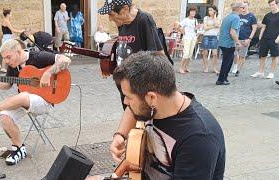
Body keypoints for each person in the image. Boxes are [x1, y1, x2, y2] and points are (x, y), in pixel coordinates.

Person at [88, 51, 225, 179]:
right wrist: (120, 135)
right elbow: (132, 110)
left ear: (152, 97)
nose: (125, 102)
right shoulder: (161, 102)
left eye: (128, 97)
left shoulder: (198, 140)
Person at [0, 39, 71, 166]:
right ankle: (18, 148)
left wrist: (48, 73)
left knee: (23, 95)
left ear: (18, 52)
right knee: (4, 115)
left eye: (8, 57)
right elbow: (8, 84)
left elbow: (66, 60)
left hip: (45, 99)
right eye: (4, 58)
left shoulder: (38, 57)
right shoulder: (13, 66)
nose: (6, 61)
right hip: (24, 100)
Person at [98, 0, 171, 167]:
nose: (110, 18)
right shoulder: (123, 23)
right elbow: (123, 50)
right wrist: (109, 65)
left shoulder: (144, 20)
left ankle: (144, 162)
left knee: (144, 126)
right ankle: (135, 159)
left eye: (111, 14)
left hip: (141, 88)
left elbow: (156, 56)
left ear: (124, 9)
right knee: (133, 124)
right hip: (128, 89)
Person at [216, 2, 243, 85]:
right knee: (227, 62)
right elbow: (232, 32)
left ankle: (224, 78)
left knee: (228, 61)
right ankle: (221, 79)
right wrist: (238, 43)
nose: (243, 9)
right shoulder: (236, 18)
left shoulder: (228, 16)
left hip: (223, 42)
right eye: (242, 7)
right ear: (238, 8)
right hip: (228, 43)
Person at [251, 0, 279, 79]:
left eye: (273, 5)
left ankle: (271, 73)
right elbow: (264, 26)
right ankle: (260, 72)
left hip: (275, 39)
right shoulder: (267, 15)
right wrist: (260, 36)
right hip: (265, 38)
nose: (271, 7)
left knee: (274, 56)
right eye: (270, 5)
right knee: (262, 55)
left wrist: (278, 38)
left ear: (277, 4)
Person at [232, 1, 257, 77]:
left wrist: (249, 39)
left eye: (245, 6)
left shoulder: (251, 16)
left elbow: (254, 29)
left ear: (248, 6)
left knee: (242, 55)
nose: (243, 8)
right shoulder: (238, 15)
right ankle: (235, 65)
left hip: (245, 39)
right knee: (234, 54)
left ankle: (238, 70)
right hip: (236, 38)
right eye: (242, 6)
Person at [178, 6, 200, 74]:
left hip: (193, 37)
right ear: (189, 12)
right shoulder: (185, 20)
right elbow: (179, 26)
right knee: (186, 53)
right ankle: (181, 68)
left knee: (190, 54)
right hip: (187, 38)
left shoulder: (195, 20)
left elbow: (195, 29)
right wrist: (183, 32)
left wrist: (197, 28)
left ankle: (186, 67)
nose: (193, 13)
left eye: (194, 11)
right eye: (191, 11)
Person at [201, 5, 221, 74]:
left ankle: (214, 67)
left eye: (211, 10)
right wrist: (213, 26)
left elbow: (218, 25)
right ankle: (206, 67)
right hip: (206, 36)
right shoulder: (206, 18)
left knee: (215, 54)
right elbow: (205, 28)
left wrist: (215, 17)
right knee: (205, 53)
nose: (209, 11)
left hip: (214, 36)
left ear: (215, 11)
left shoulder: (218, 17)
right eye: (209, 10)